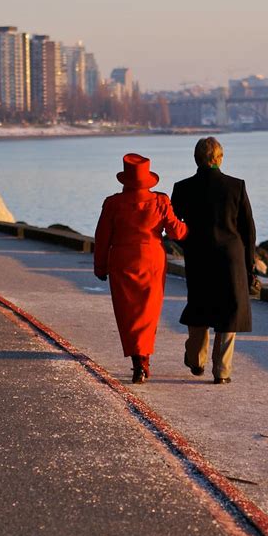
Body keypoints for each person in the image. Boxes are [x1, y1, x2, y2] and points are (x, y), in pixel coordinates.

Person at [94, 153, 188, 384]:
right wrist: (191, 227)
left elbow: (103, 237)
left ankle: (138, 361)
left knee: (128, 314)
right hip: (151, 260)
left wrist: (100, 266)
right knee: (148, 313)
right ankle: (144, 360)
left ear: (125, 179)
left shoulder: (113, 204)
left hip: (122, 261)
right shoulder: (160, 201)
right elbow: (177, 232)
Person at [171, 137, 256, 384]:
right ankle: (222, 371)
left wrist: (187, 245)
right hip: (231, 257)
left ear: (196, 158)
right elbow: (248, 230)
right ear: (220, 158)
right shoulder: (236, 186)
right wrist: (250, 265)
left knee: (199, 307)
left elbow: (175, 228)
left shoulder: (183, 188)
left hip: (198, 257)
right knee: (229, 311)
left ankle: (196, 360)